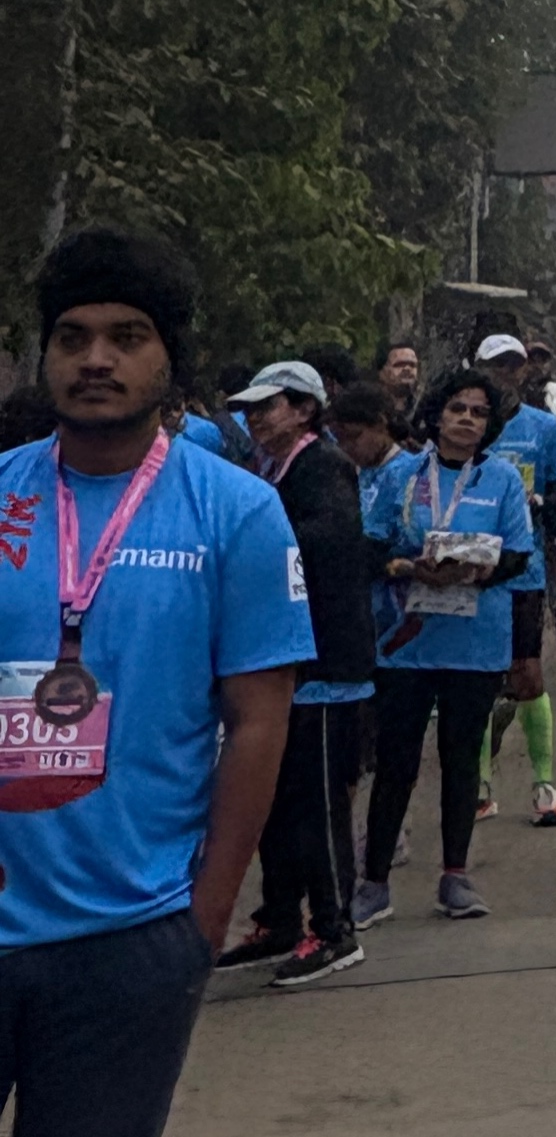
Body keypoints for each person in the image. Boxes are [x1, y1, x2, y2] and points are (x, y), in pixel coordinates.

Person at [0, 229, 313, 1137]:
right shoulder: (2, 498)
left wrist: (202, 914)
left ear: (170, 358)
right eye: (74, 336)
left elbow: (260, 716)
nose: (96, 360)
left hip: (126, 941)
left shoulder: (233, 513)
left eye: (125, 336)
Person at [221, 364, 387, 987]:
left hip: (324, 664)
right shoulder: (272, 470)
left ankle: (335, 928)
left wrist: (254, 536)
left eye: (268, 406)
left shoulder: (323, 467)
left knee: (318, 803)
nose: (255, 418)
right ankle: (280, 918)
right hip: (283, 662)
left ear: (303, 410)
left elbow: (329, 543)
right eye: (249, 409)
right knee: (278, 801)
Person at [357, 366, 540, 926]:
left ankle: (455, 877)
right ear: (436, 416)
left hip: (474, 644)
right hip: (405, 643)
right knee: (396, 763)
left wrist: (472, 572)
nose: (467, 420)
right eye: (457, 409)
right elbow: (369, 548)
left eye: (479, 413)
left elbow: (519, 556)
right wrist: (408, 567)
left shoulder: (503, 480)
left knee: (462, 761)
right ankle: (374, 882)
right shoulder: (402, 475)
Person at [473, 331, 556, 829]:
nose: (506, 374)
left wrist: (542, 506)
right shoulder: (464, 424)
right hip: (470, 572)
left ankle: (544, 786)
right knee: (477, 681)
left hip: (523, 570)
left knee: (527, 673)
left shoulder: (544, 427)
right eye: (497, 365)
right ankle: (479, 787)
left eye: (514, 365)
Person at [373, 339, 423, 446]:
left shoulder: (424, 408)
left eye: (412, 365)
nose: (407, 369)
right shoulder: (372, 408)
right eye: (399, 365)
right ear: (382, 372)